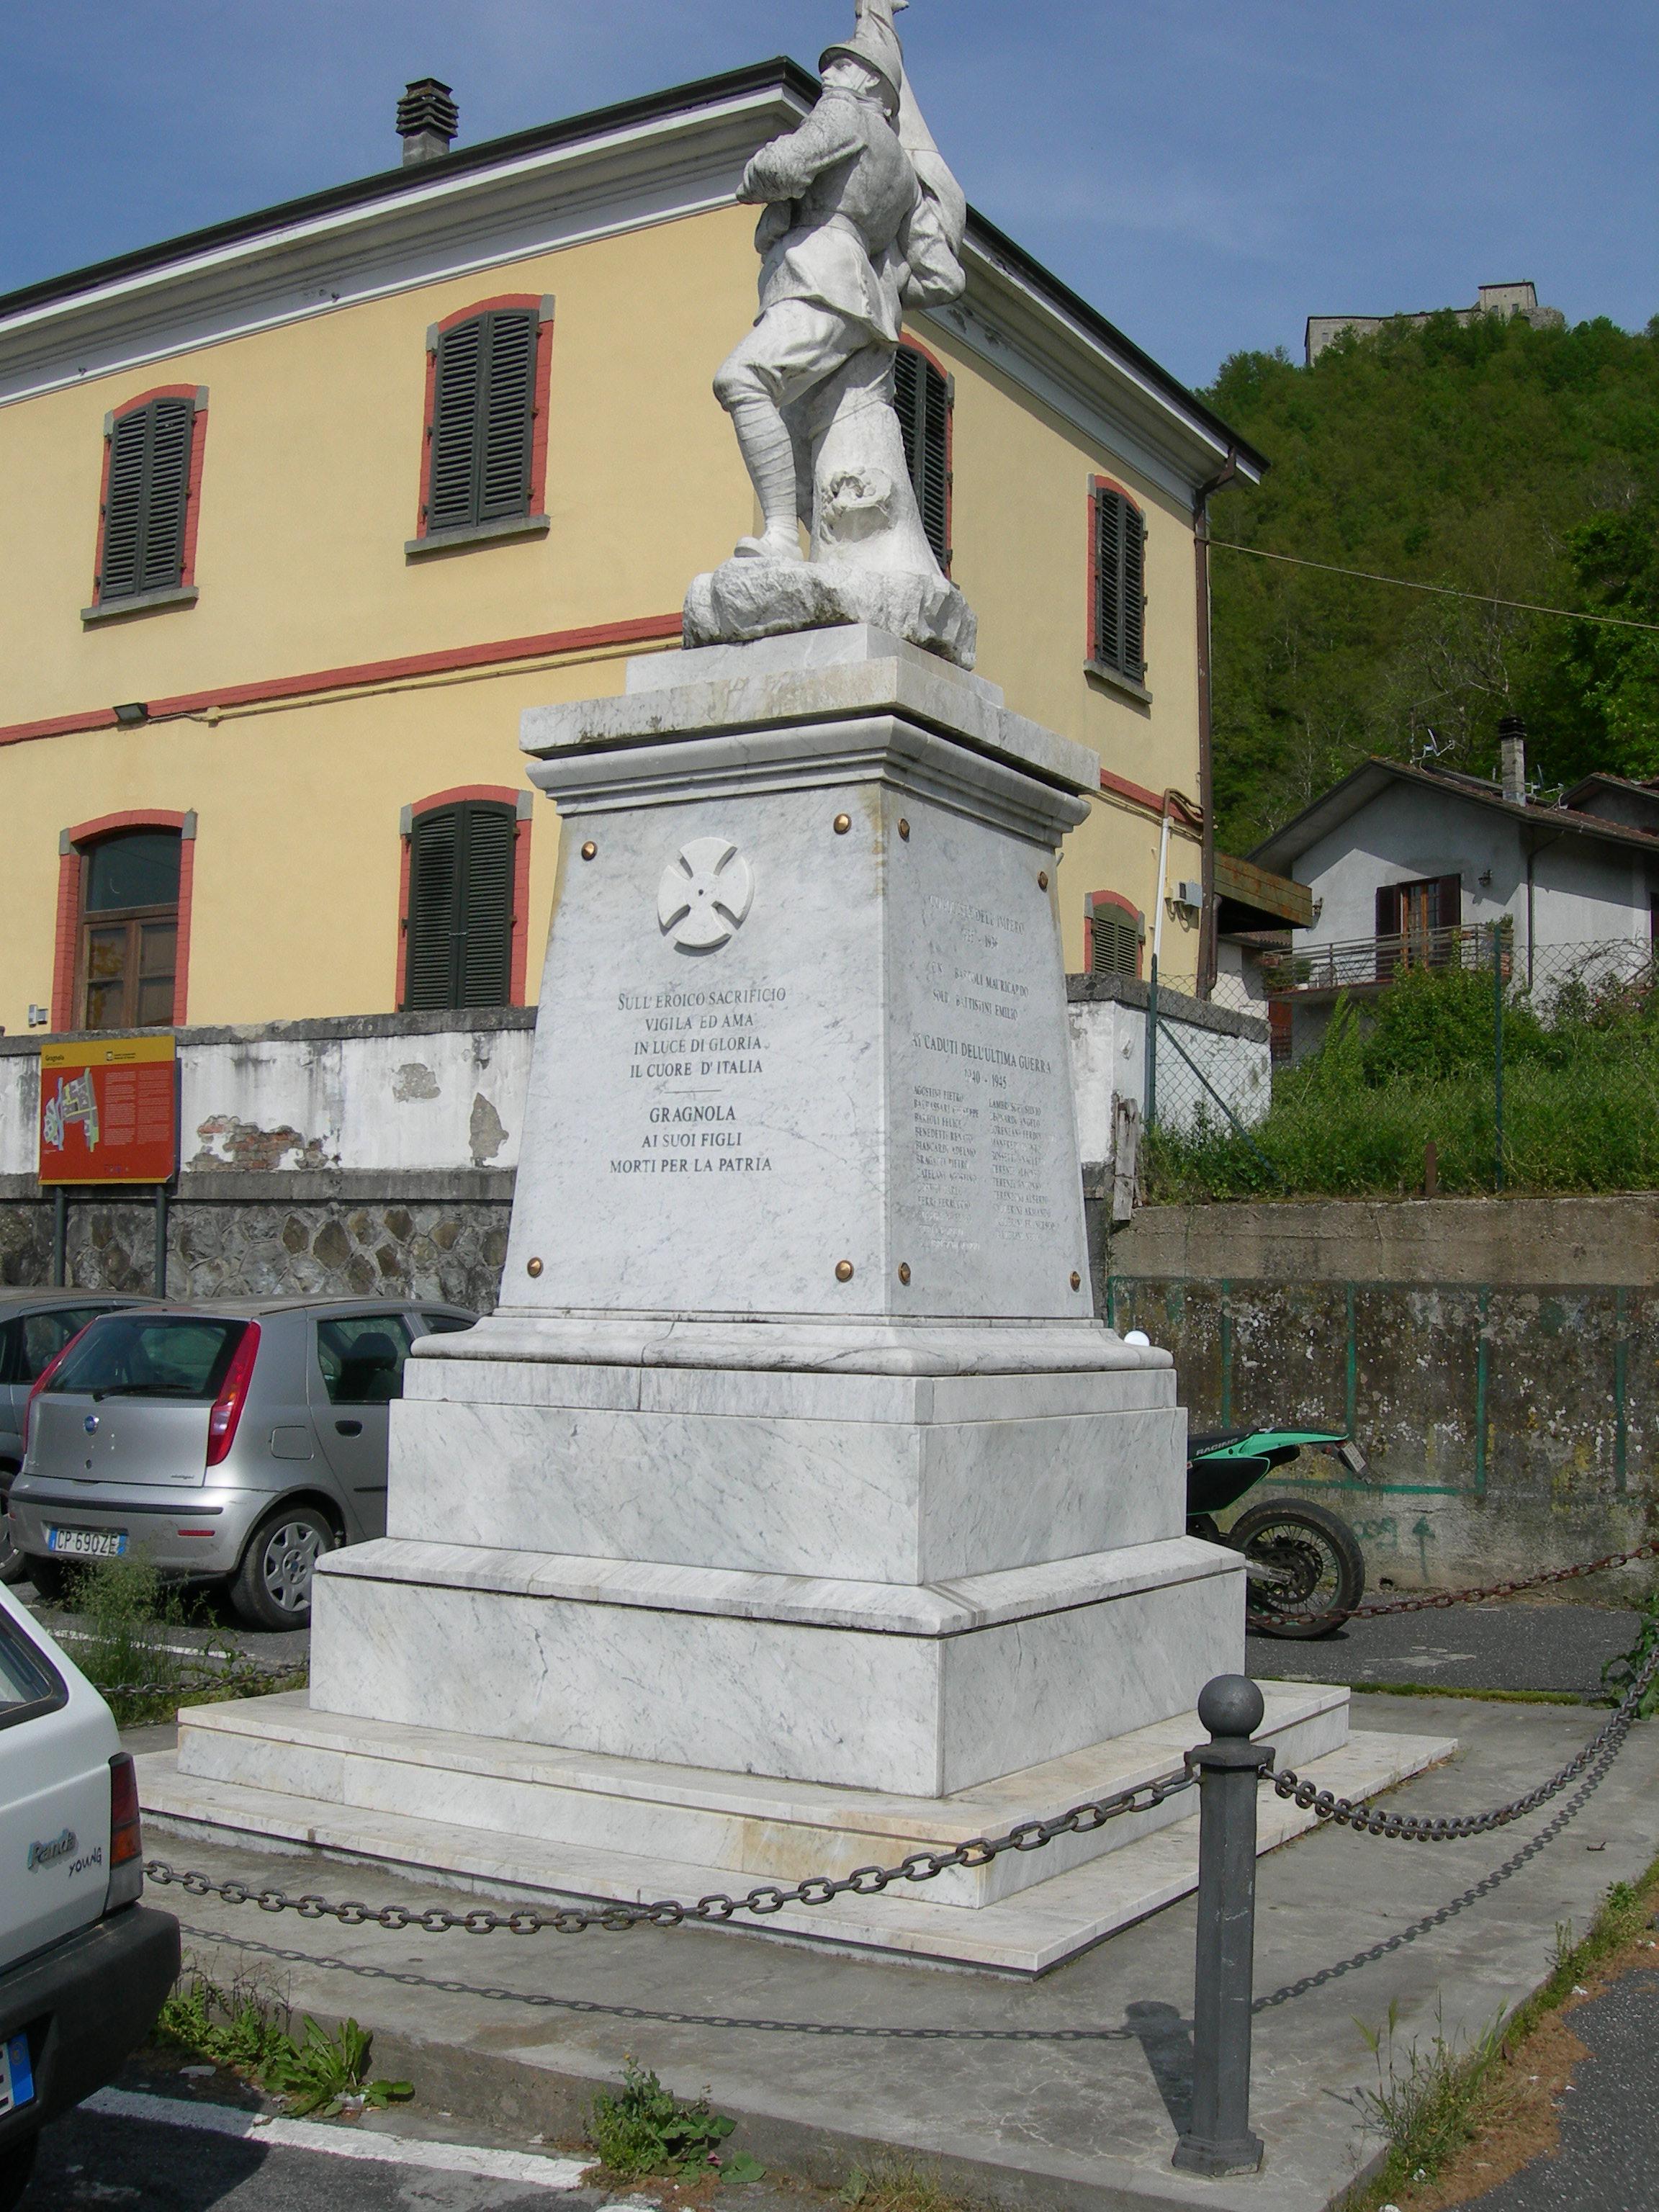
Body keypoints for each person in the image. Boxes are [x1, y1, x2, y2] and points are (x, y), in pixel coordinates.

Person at [713, 0, 966, 565]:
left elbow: (779, 169)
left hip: (818, 275)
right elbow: (938, 277)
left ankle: (779, 536)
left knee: (743, 380)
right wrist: (885, 283)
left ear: (872, 81)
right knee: (804, 436)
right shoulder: (903, 170)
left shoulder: (843, 114)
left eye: (843, 66)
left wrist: (757, 173)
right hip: (861, 302)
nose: (828, 75)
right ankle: (824, 555)